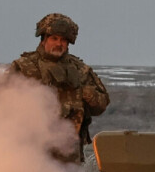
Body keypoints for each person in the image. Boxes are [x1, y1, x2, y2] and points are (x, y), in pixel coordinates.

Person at [8, 13, 110, 163]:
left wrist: (88, 94)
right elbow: (1, 105)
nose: (59, 44)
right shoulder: (24, 68)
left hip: (69, 155)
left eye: (63, 40)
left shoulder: (80, 70)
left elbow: (102, 104)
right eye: (54, 38)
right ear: (44, 40)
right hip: (30, 153)